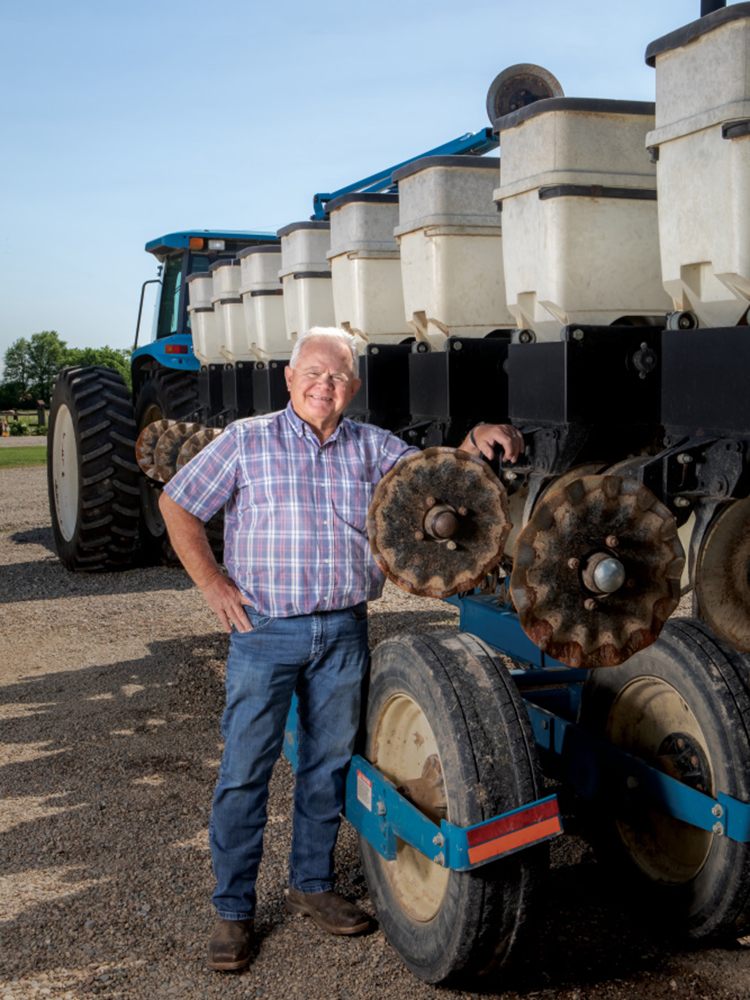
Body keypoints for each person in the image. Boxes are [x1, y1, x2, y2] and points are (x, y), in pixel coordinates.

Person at [159, 327, 524, 972]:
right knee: (245, 768)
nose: (324, 387)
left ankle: (311, 885)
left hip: (344, 630)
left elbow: (429, 474)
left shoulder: (370, 446)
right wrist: (213, 583)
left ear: (351, 388)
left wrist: (475, 439)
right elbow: (178, 504)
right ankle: (232, 909)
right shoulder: (247, 440)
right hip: (264, 629)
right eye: (314, 374)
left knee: (328, 765)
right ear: (290, 377)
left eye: (337, 378)